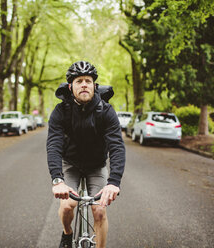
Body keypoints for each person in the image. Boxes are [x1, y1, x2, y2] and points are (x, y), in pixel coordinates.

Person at [46, 61, 126, 248]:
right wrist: (57, 180)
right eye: (79, 81)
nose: (84, 84)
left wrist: (114, 182)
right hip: (71, 163)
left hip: (96, 165)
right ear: (70, 86)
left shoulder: (106, 111)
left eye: (88, 81)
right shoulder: (60, 111)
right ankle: (67, 233)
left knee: (99, 211)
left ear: (94, 86)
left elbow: (116, 146)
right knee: (66, 206)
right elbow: (54, 145)